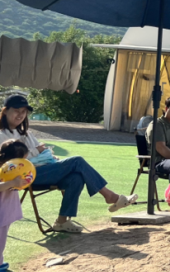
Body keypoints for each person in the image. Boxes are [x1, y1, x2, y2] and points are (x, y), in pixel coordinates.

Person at [0, 94, 137, 232]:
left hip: (43, 170)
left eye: (24, 112)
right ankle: (110, 196)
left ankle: (62, 221)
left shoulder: (26, 133)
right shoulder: (2, 135)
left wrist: (48, 156)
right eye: (17, 110)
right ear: (5, 111)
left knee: (76, 178)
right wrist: (36, 151)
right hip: (23, 177)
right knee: (77, 161)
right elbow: (10, 162)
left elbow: (41, 152)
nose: (20, 115)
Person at [0, 140, 30, 272]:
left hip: (6, 210)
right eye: (23, 160)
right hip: (2, 212)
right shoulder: (3, 169)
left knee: (2, 238)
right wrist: (13, 182)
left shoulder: (12, 170)